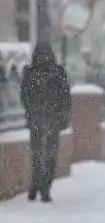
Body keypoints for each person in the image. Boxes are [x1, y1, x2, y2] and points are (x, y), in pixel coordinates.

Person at [20, 42, 71, 202]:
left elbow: (65, 96)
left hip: (51, 118)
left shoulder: (57, 72)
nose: (43, 57)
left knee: (47, 154)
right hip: (39, 118)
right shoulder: (31, 72)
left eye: (45, 54)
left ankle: (43, 187)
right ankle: (37, 185)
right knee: (39, 154)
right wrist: (32, 110)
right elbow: (25, 95)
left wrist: (62, 114)